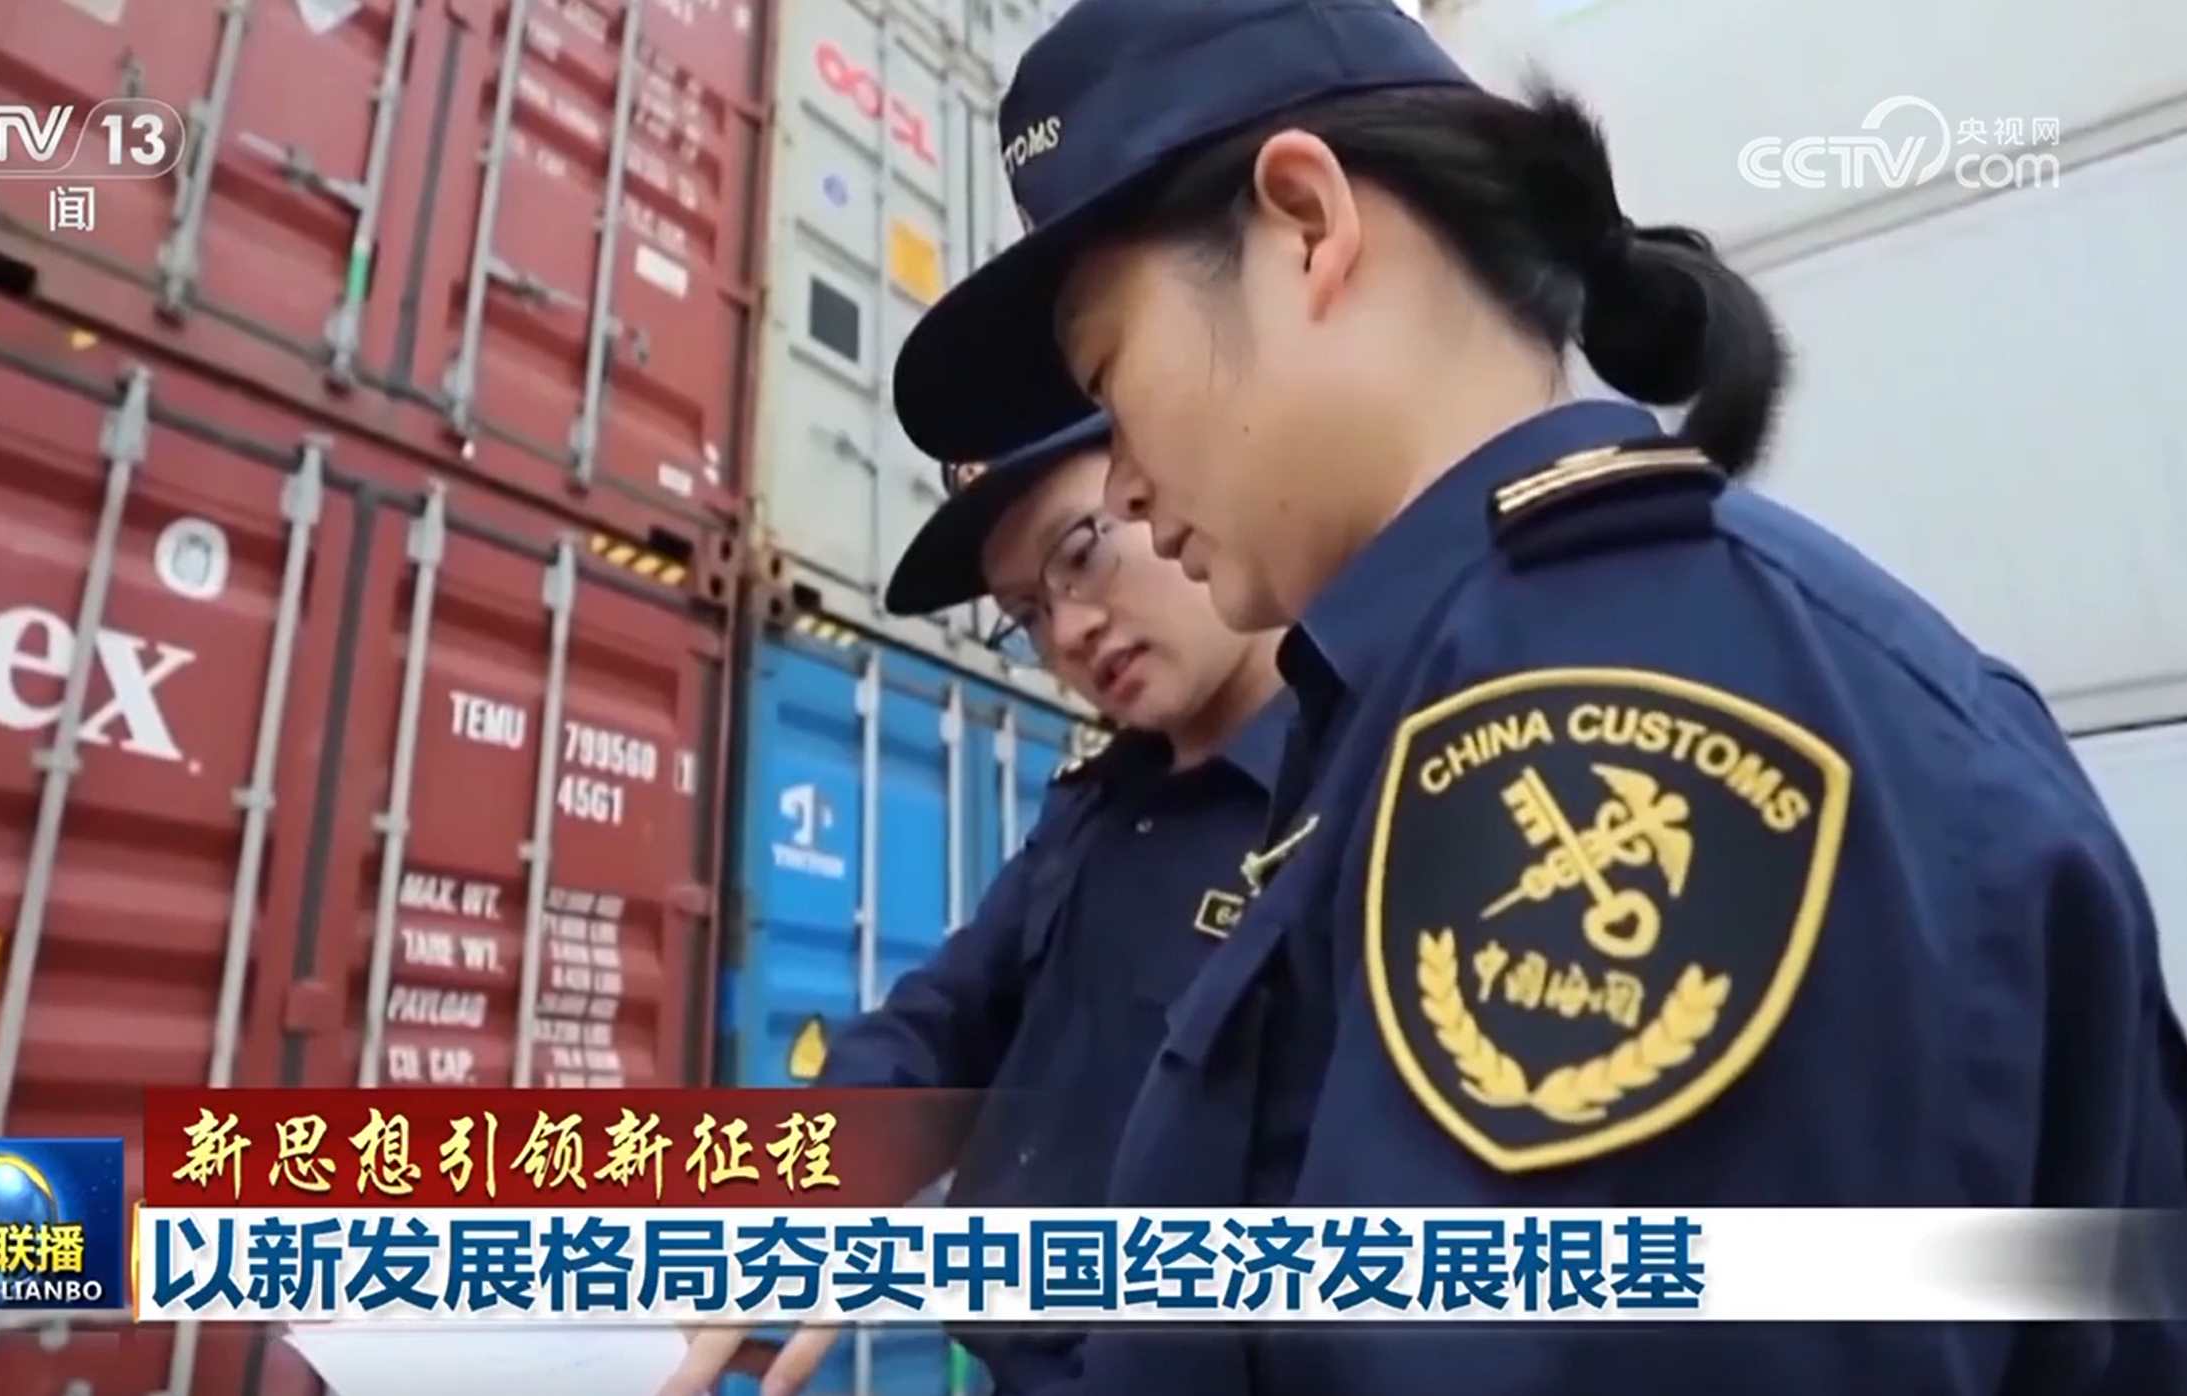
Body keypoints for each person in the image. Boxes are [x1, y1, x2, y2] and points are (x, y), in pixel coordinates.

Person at [882, 2, 2187, 1393]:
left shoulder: (1595, 717)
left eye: (1111, 378)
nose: (1131, 480)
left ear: (1308, 225)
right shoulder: (1429, 700)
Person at [658, 410, 1292, 1396]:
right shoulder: (1096, 811)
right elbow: (944, 1017)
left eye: (1080, 553)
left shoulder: (1361, 794)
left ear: (1175, 485)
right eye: (1026, 612)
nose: (1068, 633)